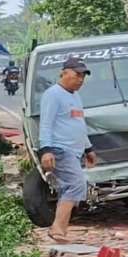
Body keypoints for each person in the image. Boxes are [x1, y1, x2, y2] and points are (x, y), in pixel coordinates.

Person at [38, 57, 98, 239]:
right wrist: (45, 150)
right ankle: (57, 229)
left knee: (69, 187)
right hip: (60, 149)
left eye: (83, 76)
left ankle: (60, 231)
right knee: (76, 184)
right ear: (64, 73)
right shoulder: (53, 95)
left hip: (75, 151)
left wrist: (88, 149)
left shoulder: (75, 96)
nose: (80, 80)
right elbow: (46, 124)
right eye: (77, 75)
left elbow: (79, 124)